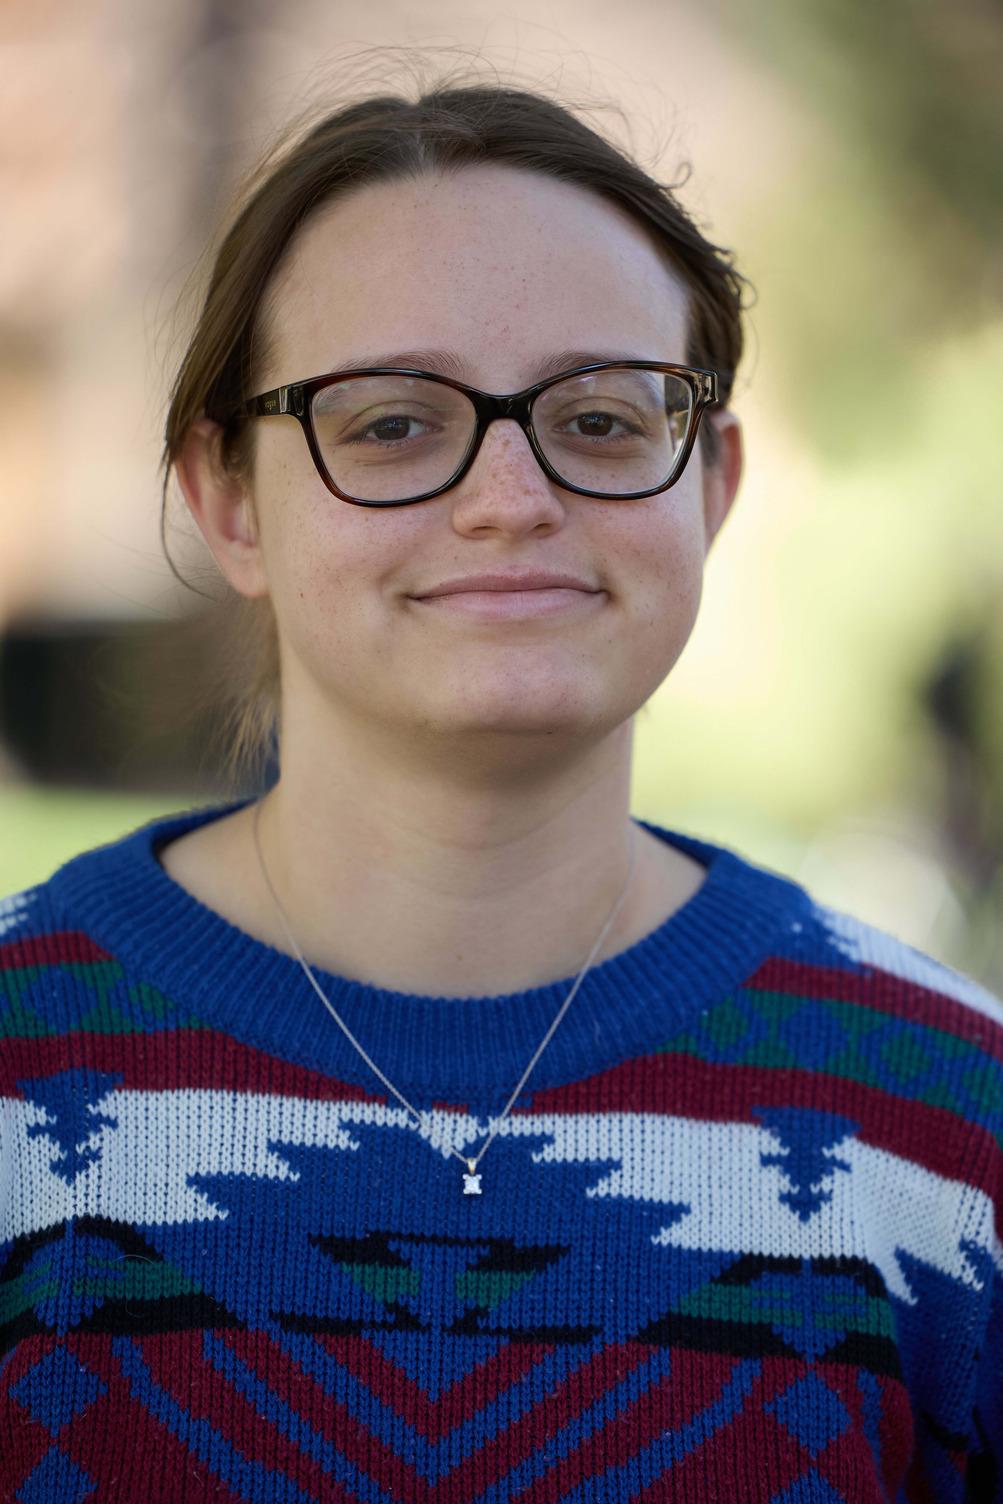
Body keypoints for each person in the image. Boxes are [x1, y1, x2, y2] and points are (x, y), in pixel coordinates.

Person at [1, 73, 1001, 1504]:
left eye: (600, 418)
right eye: (393, 422)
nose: (510, 496)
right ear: (228, 499)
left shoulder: (954, 1125)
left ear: (709, 489)